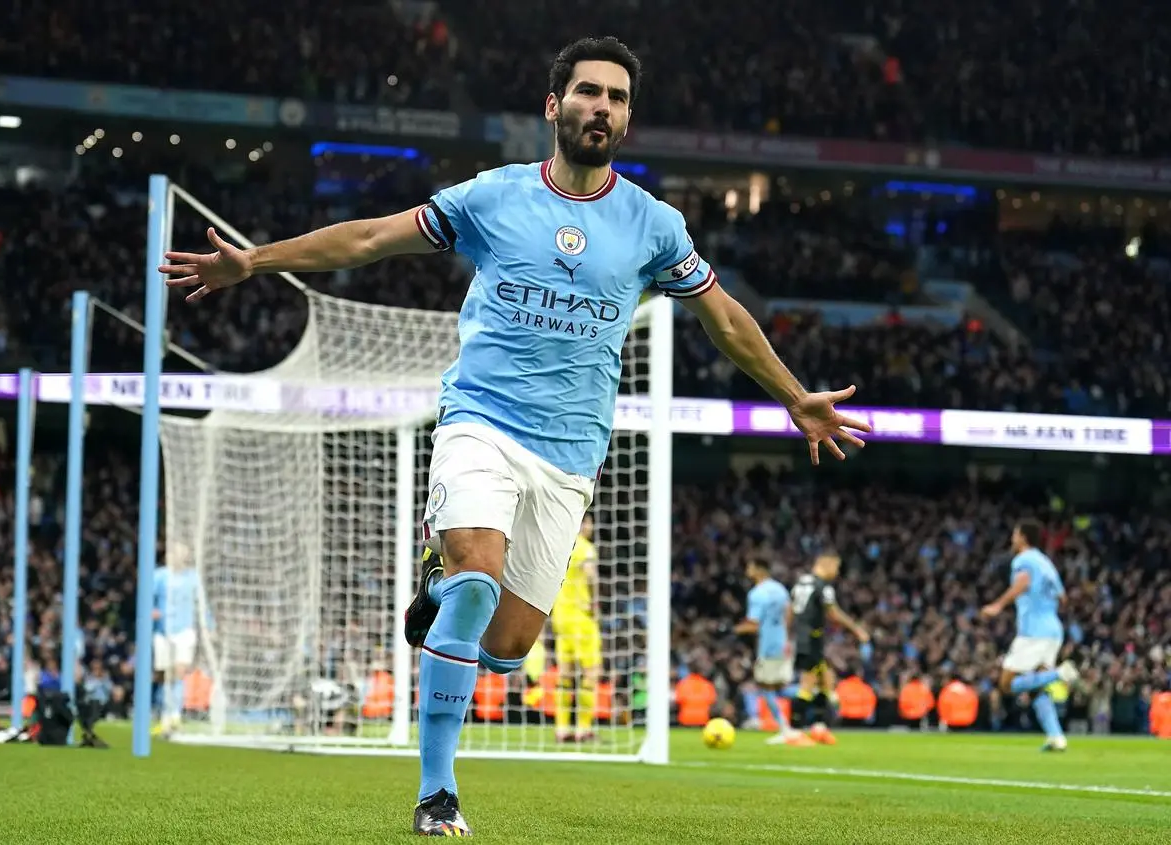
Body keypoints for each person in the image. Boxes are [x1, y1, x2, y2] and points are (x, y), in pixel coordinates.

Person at [160, 35, 871, 837]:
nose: (602, 107)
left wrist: (794, 396)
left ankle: (437, 586)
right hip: (482, 424)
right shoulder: (493, 197)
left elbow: (725, 319)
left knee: (506, 647)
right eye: (588, 91)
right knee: (478, 580)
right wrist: (254, 262)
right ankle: (437, 793)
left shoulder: (654, 225)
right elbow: (368, 240)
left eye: (617, 98)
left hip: (570, 456)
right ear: (554, 105)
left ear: (627, 120)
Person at [981, 519, 1078, 751]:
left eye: (1015, 535)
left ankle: (1060, 673)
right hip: (1053, 630)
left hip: (1033, 632)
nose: (1012, 539)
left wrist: (998, 605)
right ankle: (1056, 737)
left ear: (1023, 537)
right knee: (1036, 689)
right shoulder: (1046, 563)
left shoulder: (1023, 560)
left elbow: (1022, 583)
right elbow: (1063, 598)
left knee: (1006, 684)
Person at [789, 554, 870, 745]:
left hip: (805, 637)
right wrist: (857, 629)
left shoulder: (801, 583)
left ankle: (819, 728)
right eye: (836, 567)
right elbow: (833, 613)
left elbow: (791, 609)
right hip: (811, 638)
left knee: (826, 680)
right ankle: (794, 731)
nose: (837, 572)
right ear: (826, 564)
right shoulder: (822, 586)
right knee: (808, 683)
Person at [735, 559, 810, 746]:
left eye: (750, 567)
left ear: (758, 570)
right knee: (779, 686)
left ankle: (785, 728)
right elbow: (789, 611)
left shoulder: (757, 593)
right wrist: (784, 633)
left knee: (765, 686)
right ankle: (808, 702)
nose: (747, 570)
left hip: (768, 646)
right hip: (782, 642)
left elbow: (753, 624)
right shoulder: (779, 589)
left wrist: (732, 630)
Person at [551, 513, 602, 743]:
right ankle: (583, 728)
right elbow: (591, 575)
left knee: (565, 674)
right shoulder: (585, 547)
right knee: (591, 672)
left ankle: (562, 729)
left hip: (561, 616)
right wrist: (595, 602)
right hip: (581, 616)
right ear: (584, 524)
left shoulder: (561, 545)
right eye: (589, 522)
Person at [152, 542, 207, 737]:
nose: (177, 556)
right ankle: (163, 714)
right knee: (163, 674)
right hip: (162, 631)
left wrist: (208, 624)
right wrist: (152, 611)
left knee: (179, 671)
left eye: (181, 553)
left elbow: (201, 603)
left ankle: (175, 715)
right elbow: (148, 599)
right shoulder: (159, 576)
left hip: (184, 630)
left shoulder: (193, 578)